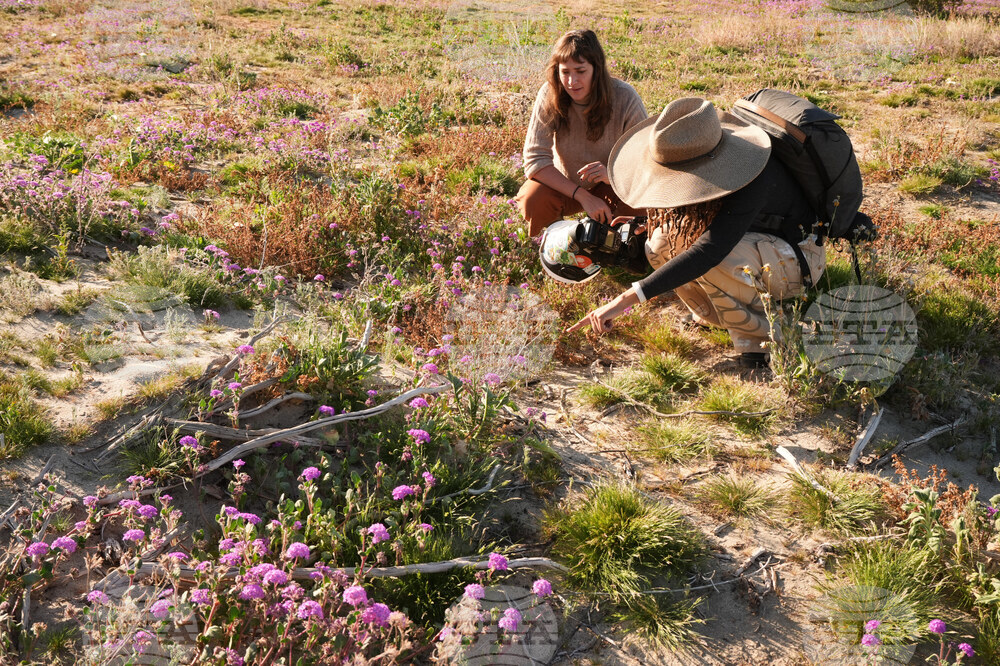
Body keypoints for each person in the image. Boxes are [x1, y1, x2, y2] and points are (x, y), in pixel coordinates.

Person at [565, 97, 827, 368]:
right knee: (660, 242)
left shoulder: (755, 174)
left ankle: (764, 336)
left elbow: (710, 250)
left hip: (799, 259)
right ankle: (718, 315)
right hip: (756, 244)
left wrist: (624, 300)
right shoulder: (708, 156)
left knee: (719, 260)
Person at [517, 29, 648, 238]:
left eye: (580, 71)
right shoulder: (549, 93)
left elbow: (646, 157)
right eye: (565, 72)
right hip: (566, 184)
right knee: (533, 198)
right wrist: (583, 196)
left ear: (596, 69)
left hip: (611, 186)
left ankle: (619, 245)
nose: (571, 81)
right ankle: (553, 243)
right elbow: (535, 160)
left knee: (642, 201)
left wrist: (614, 175)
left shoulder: (625, 97)